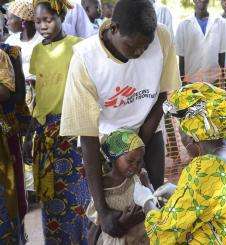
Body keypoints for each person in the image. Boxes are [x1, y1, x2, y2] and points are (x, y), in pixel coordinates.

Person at [59, 0, 180, 238]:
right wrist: (103, 212)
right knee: (109, 219)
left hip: (148, 133)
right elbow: (89, 134)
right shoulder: (85, 59)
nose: (138, 53)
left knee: (152, 202)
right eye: (132, 46)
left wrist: (138, 150)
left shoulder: (161, 38)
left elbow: (161, 97)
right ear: (113, 29)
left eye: (145, 47)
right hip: (105, 144)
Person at [132, 82, 226, 244]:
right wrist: (180, 193)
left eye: (181, 131)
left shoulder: (204, 168)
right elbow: (222, 200)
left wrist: (146, 200)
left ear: (192, 137)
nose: (181, 138)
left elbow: (164, 232)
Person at [26, 0, 91, 243]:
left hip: (72, 130)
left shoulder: (78, 47)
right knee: (50, 197)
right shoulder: (36, 52)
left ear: (61, 15)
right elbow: (38, 93)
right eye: (38, 21)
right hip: (45, 133)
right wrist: (31, 133)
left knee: (78, 196)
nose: (43, 26)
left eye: (48, 19)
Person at [86, 129, 150, 244]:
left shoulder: (140, 178)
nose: (135, 166)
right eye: (130, 161)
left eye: (139, 161)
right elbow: (95, 227)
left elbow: (151, 204)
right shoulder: (102, 188)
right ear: (113, 158)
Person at [0, 13, 27, 243]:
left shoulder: (10, 53)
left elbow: (17, 94)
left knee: (13, 193)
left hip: (7, 128)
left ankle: (16, 236)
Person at [175, 0, 226, 83]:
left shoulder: (220, 23)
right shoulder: (183, 25)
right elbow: (181, 58)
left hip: (214, 81)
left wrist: (222, 80)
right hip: (191, 81)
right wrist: (182, 81)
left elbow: (222, 55)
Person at [5, 0, 43, 112]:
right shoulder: (11, 41)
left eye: (10, 18)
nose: (7, 23)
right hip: (16, 92)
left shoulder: (41, 40)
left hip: (39, 92)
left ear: (22, 19)